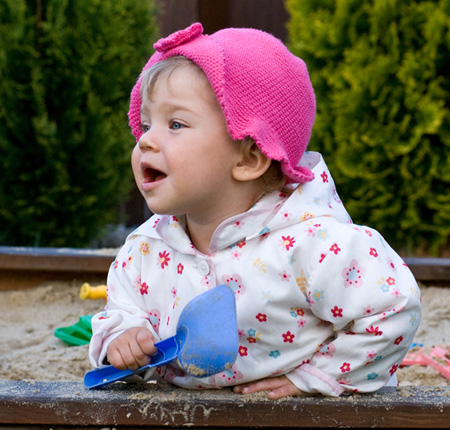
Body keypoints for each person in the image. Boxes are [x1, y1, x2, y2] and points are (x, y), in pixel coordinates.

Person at [89, 23, 421, 398]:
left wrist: (317, 377)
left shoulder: (314, 244)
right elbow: (122, 309)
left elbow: (394, 307)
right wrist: (123, 338)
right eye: (146, 124)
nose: (145, 140)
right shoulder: (146, 248)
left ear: (249, 158)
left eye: (175, 124)